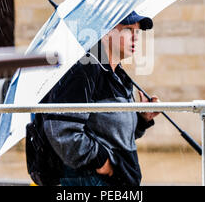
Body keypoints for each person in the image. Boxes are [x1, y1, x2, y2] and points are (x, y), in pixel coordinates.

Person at [40, 11, 160, 186]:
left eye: (137, 32)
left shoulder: (119, 76)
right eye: (127, 30)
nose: (135, 38)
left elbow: (112, 134)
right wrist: (101, 161)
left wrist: (141, 119)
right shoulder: (85, 70)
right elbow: (60, 129)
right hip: (90, 181)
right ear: (104, 34)